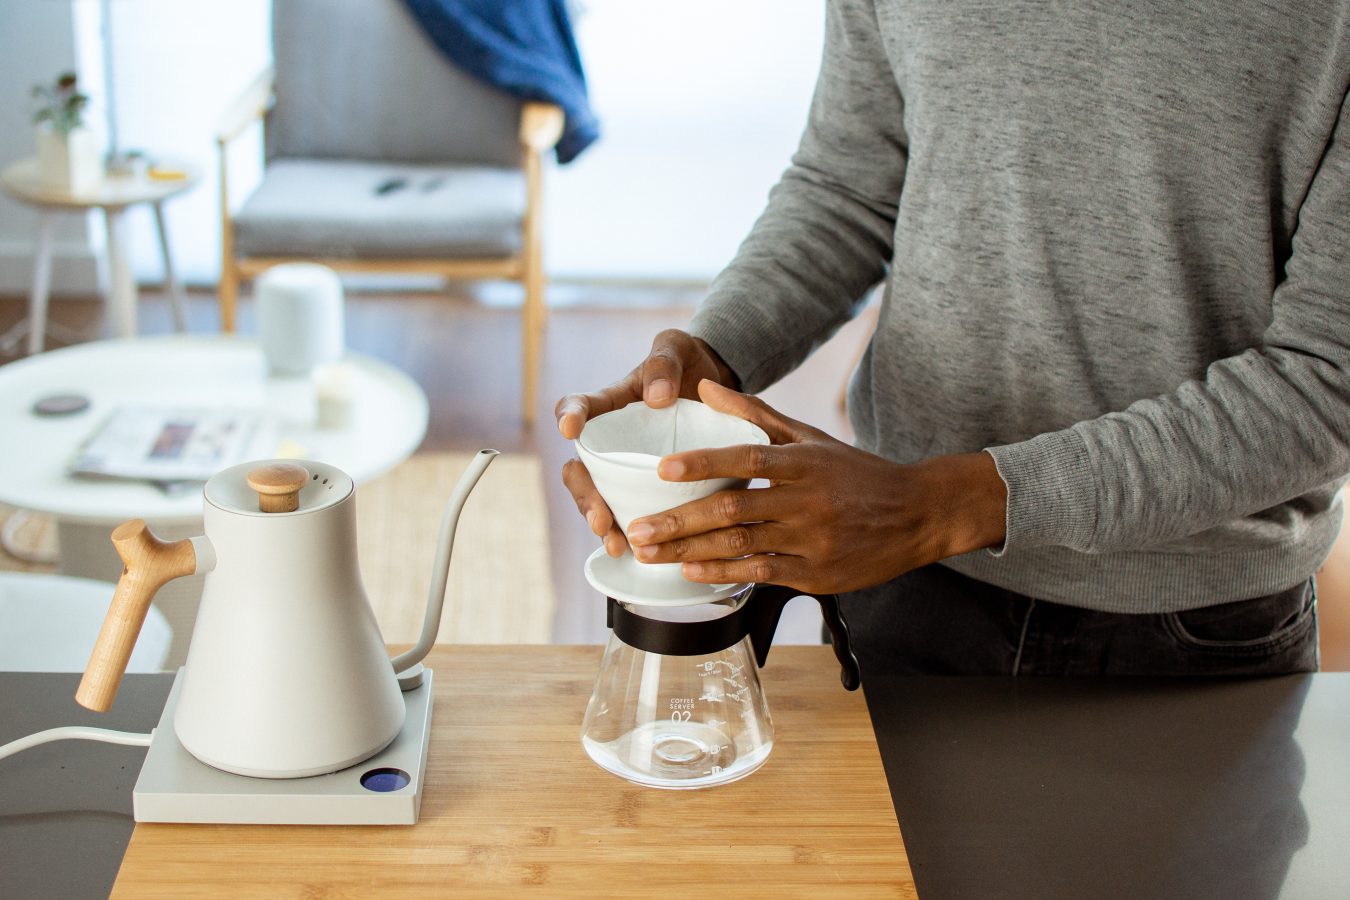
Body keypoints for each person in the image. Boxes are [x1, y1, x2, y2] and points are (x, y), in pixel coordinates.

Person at [557, 0, 1349, 678]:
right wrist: (710, 361)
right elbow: (849, 183)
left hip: (1191, 621)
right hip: (908, 579)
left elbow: (1328, 375)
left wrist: (942, 507)